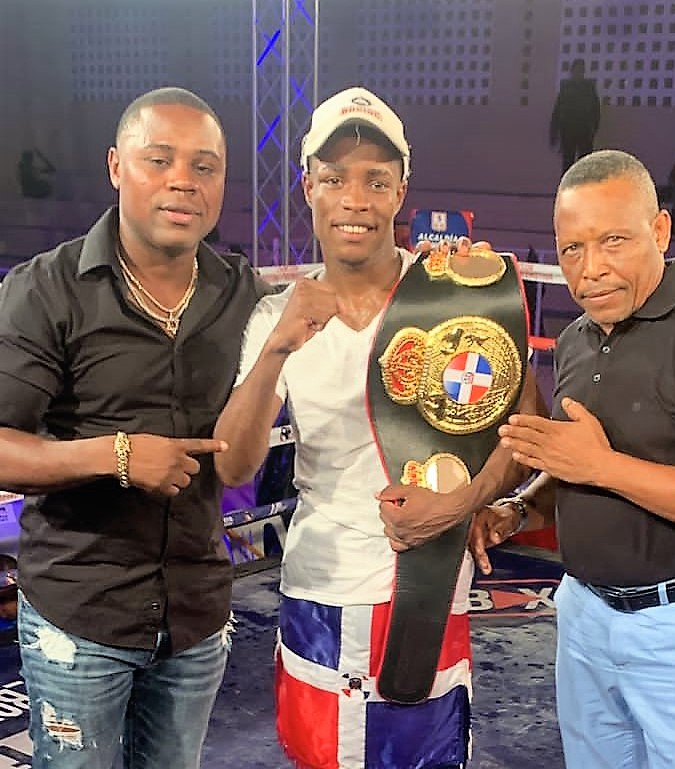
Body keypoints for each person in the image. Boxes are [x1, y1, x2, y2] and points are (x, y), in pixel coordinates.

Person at [213, 86, 538, 769]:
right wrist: (277, 350)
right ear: (308, 186)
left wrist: (465, 501)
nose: (354, 200)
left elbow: (522, 432)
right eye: (335, 178)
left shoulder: (451, 297)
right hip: (321, 586)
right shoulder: (275, 315)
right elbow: (234, 466)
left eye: (375, 180)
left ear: (401, 192)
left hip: (426, 588)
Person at [473, 150, 675, 769]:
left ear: (659, 230)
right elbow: (575, 467)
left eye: (613, 240)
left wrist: (602, 466)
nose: (591, 270)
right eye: (572, 249)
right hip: (585, 611)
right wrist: (520, 509)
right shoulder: (576, 339)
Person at [0, 87, 271, 769]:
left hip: (196, 615)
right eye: (159, 159)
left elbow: (348, 302)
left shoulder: (244, 295)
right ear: (117, 167)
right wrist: (115, 455)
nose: (184, 180)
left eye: (205, 166)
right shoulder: (46, 289)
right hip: (80, 614)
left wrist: (452, 284)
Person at [549, 58, 601, 175]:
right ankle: (569, 184)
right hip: (568, 130)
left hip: (584, 130)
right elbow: (558, 109)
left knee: (584, 163)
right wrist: (554, 132)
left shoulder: (588, 88)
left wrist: (593, 128)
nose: (579, 73)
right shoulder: (567, 88)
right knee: (568, 162)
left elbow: (595, 110)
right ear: (572, 71)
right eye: (577, 70)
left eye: (581, 70)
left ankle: (581, 185)